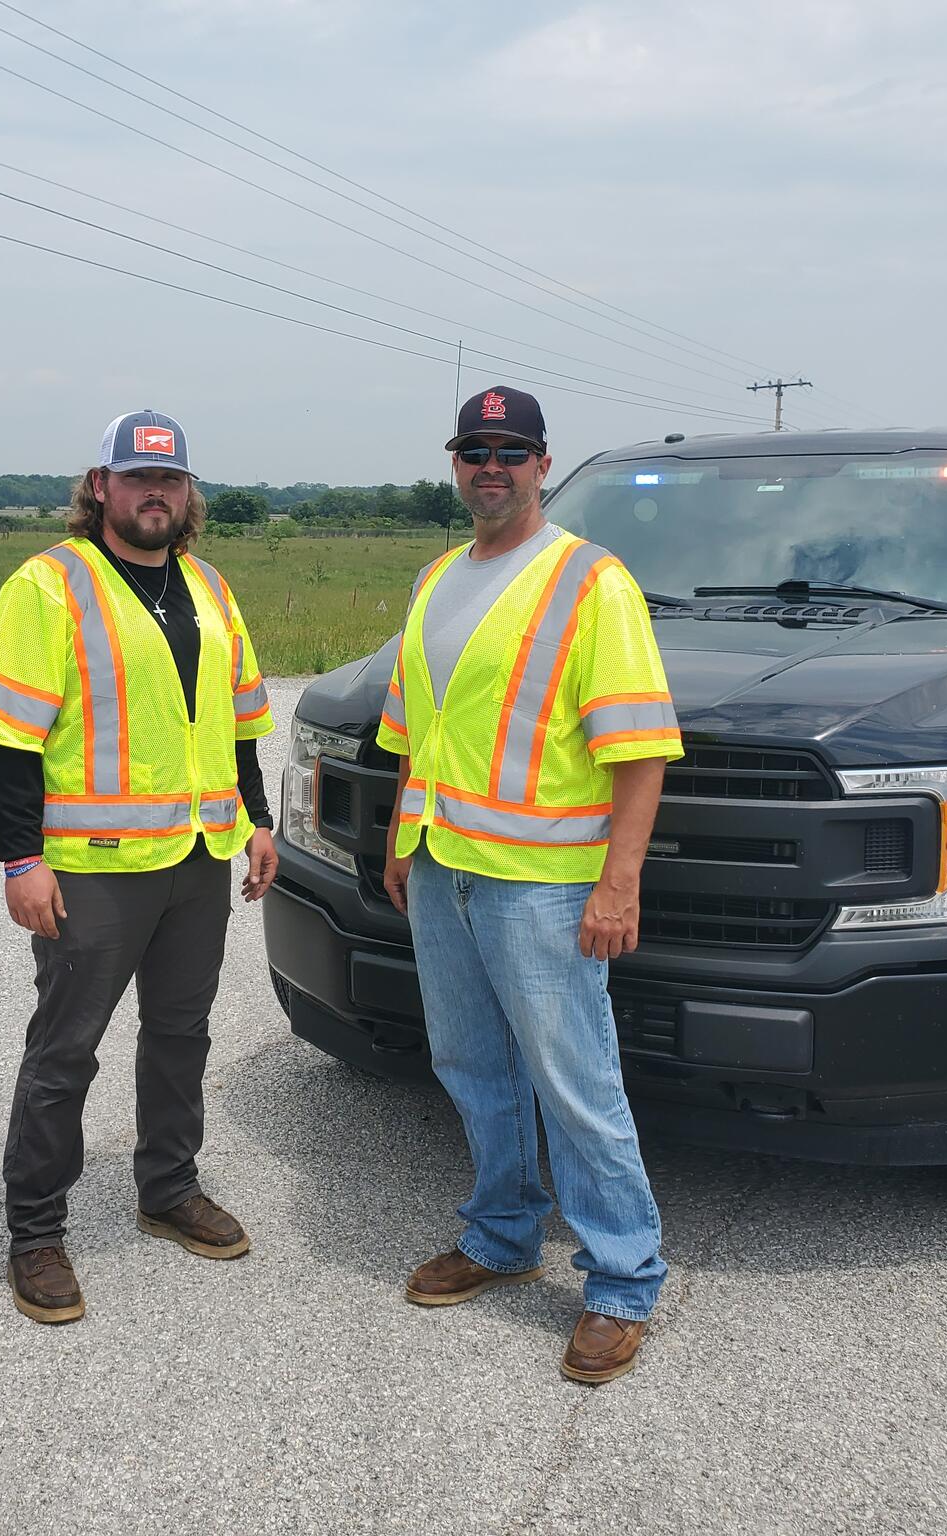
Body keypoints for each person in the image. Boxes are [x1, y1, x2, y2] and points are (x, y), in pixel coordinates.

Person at [379, 386, 682, 1383]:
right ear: (454, 462)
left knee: (574, 1083)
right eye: (475, 449)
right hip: (443, 870)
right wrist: (399, 835)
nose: (492, 466)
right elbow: (418, 732)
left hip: (545, 887)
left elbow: (640, 754)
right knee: (471, 1068)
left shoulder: (589, 582)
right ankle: (501, 1236)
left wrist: (617, 886)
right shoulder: (436, 579)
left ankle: (621, 1282)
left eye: (511, 450)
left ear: (544, 465)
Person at [0, 409, 277, 1325]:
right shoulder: (49, 585)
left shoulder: (210, 589)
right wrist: (22, 860)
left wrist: (255, 820)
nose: (155, 494)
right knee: (65, 1052)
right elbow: (7, 739)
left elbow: (238, 722)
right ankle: (36, 1232)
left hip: (195, 857)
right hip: (91, 868)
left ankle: (168, 1189)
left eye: (170, 480)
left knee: (182, 1036)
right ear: (99, 487)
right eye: (136, 479)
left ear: (188, 494)